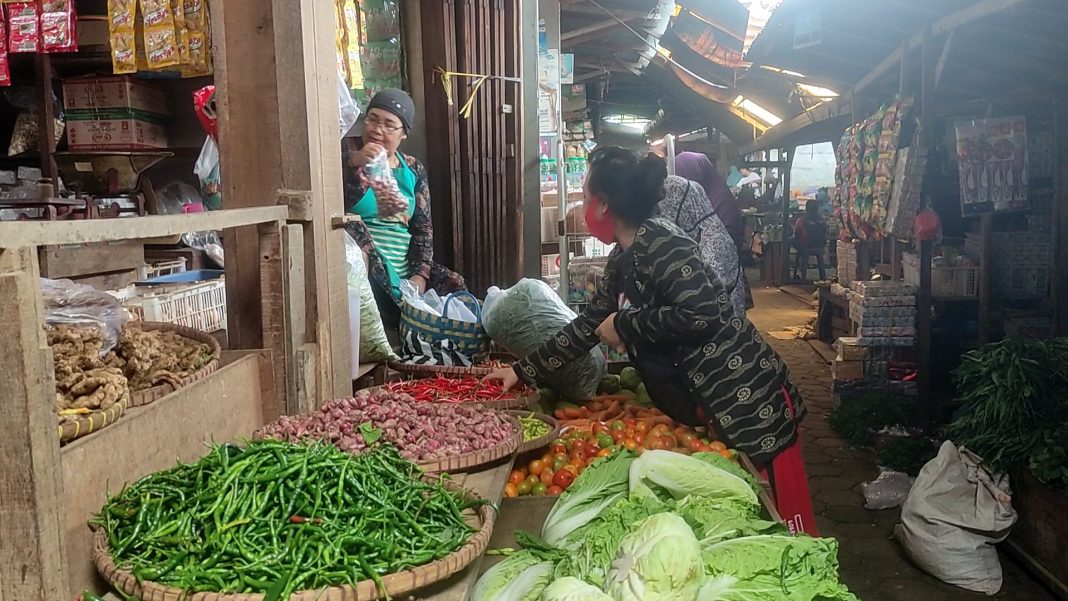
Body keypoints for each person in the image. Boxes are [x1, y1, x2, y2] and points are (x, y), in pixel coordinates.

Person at [485, 151, 817, 535]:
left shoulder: (662, 242)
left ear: (605, 204)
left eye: (586, 196)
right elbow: (587, 326)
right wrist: (521, 370)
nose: (583, 206)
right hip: (713, 403)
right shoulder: (623, 257)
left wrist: (627, 325)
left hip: (745, 400)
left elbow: (704, 313)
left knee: (778, 518)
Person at [342, 89, 465, 327]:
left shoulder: (413, 169)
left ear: (403, 134)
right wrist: (356, 162)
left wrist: (420, 275)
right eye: (373, 119)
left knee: (454, 284)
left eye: (389, 125)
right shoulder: (347, 156)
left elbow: (423, 228)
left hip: (405, 267)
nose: (377, 130)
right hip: (370, 269)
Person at [588, 147, 745, 319]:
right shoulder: (641, 246)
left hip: (716, 328)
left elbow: (702, 311)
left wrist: (624, 325)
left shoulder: (672, 245)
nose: (661, 204)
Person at [792, 201, 828, 281]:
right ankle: (823, 277)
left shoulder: (802, 220)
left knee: (793, 242)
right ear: (817, 208)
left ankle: (801, 276)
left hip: (806, 247)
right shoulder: (822, 220)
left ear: (806, 208)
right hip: (820, 247)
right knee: (820, 259)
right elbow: (826, 231)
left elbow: (797, 233)